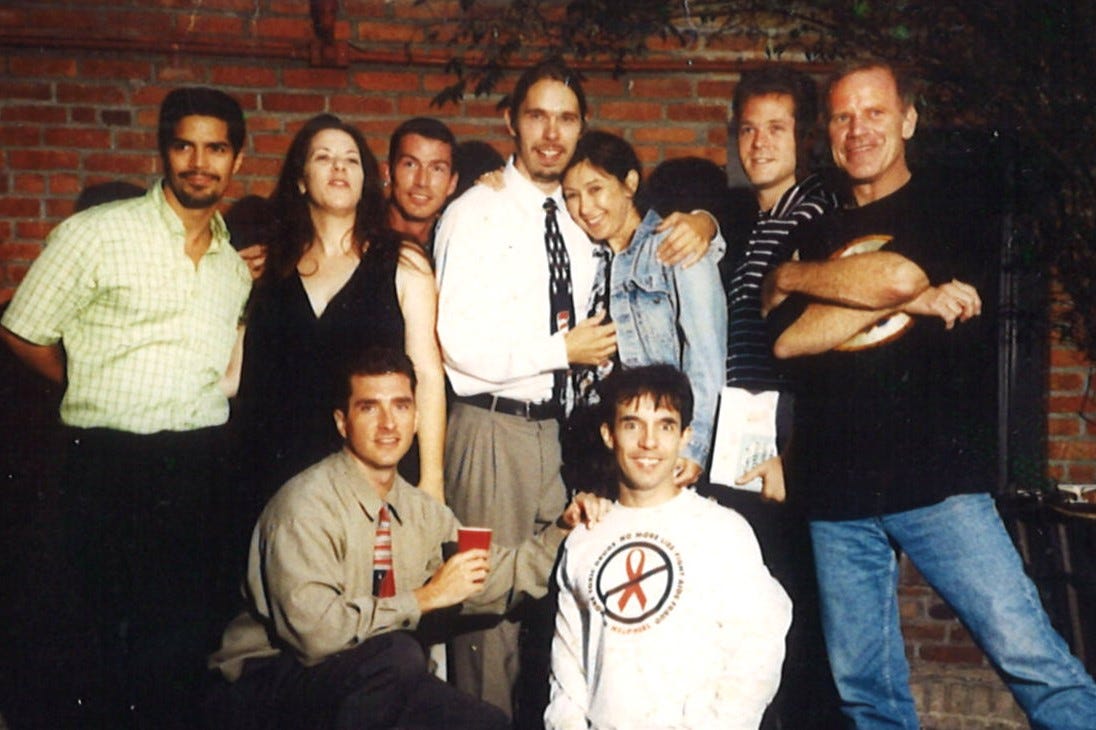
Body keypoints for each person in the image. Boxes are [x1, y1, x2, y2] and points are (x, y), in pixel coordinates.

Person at [765, 59, 1096, 728]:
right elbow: (788, 340)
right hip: (836, 492)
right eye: (842, 117)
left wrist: (812, 282)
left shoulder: (952, 209)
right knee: (866, 691)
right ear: (826, 132)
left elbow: (893, 277)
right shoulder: (812, 233)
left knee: (1034, 660)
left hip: (939, 484)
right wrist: (899, 295)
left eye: (875, 113)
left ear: (908, 120)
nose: (858, 130)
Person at [433, 58, 718, 719]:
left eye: (566, 119)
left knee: (565, 602)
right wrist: (559, 350)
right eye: (537, 116)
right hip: (490, 427)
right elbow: (456, 345)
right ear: (511, 122)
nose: (551, 133)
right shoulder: (474, 212)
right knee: (485, 608)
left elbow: (656, 243)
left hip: (563, 439)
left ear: (583, 126)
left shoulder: (577, 216)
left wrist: (707, 221)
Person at [0, 87, 251, 727]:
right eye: (184, 146)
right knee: (96, 640)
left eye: (215, 148)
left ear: (237, 160)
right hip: (107, 463)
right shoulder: (97, 234)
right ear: (164, 152)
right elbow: (23, 331)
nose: (199, 163)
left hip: (198, 466)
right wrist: (85, 379)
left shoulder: (232, 267)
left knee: (183, 639)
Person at [205, 347, 611, 729]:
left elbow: (488, 577)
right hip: (269, 681)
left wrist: (564, 530)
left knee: (485, 723)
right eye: (369, 408)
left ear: (416, 418)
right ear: (342, 422)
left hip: (373, 680)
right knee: (399, 654)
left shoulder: (419, 510)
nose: (388, 424)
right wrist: (425, 598)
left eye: (400, 406)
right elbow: (316, 637)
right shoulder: (305, 507)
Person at [545, 364, 791, 730]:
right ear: (609, 435)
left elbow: (758, 650)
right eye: (632, 425)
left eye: (665, 426)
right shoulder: (586, 537)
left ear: (685, 436)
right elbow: (567, 675)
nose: (649, 442)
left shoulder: (722, 530)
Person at [711, 66, 843, 729]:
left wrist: (795, 451)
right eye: (748, 129)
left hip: (787, 436)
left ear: (804, 138)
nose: (759, 143)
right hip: (750, 432)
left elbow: (822, 353)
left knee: (793, 611)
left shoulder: (813, 215)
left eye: (777, 128)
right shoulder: (763, 217)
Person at [234, 113, 446, 521]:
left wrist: (432, 479)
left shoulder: (403, 261)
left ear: (365, 180)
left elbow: (428, 374)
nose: (338, 168)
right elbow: (238, 374)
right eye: (323, 158)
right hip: (274, 472)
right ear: (301, 180)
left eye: (351, 160)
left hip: (369, 473)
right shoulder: (269, 265)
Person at [560, 130, 727, 490]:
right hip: (595, 452)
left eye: (595, 189)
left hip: (655, 450)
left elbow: (706, 356)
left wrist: (694, 448)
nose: (584, 208)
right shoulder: (586, 255)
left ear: (630, 184)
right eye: (571, 195)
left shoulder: (675, 243)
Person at [384, 116, 460, 257]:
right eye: (410, 164)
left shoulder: (456, 239)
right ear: (389, 172)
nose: (422, 181)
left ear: (452, 183)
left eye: (437, 169)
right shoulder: (358, 231)